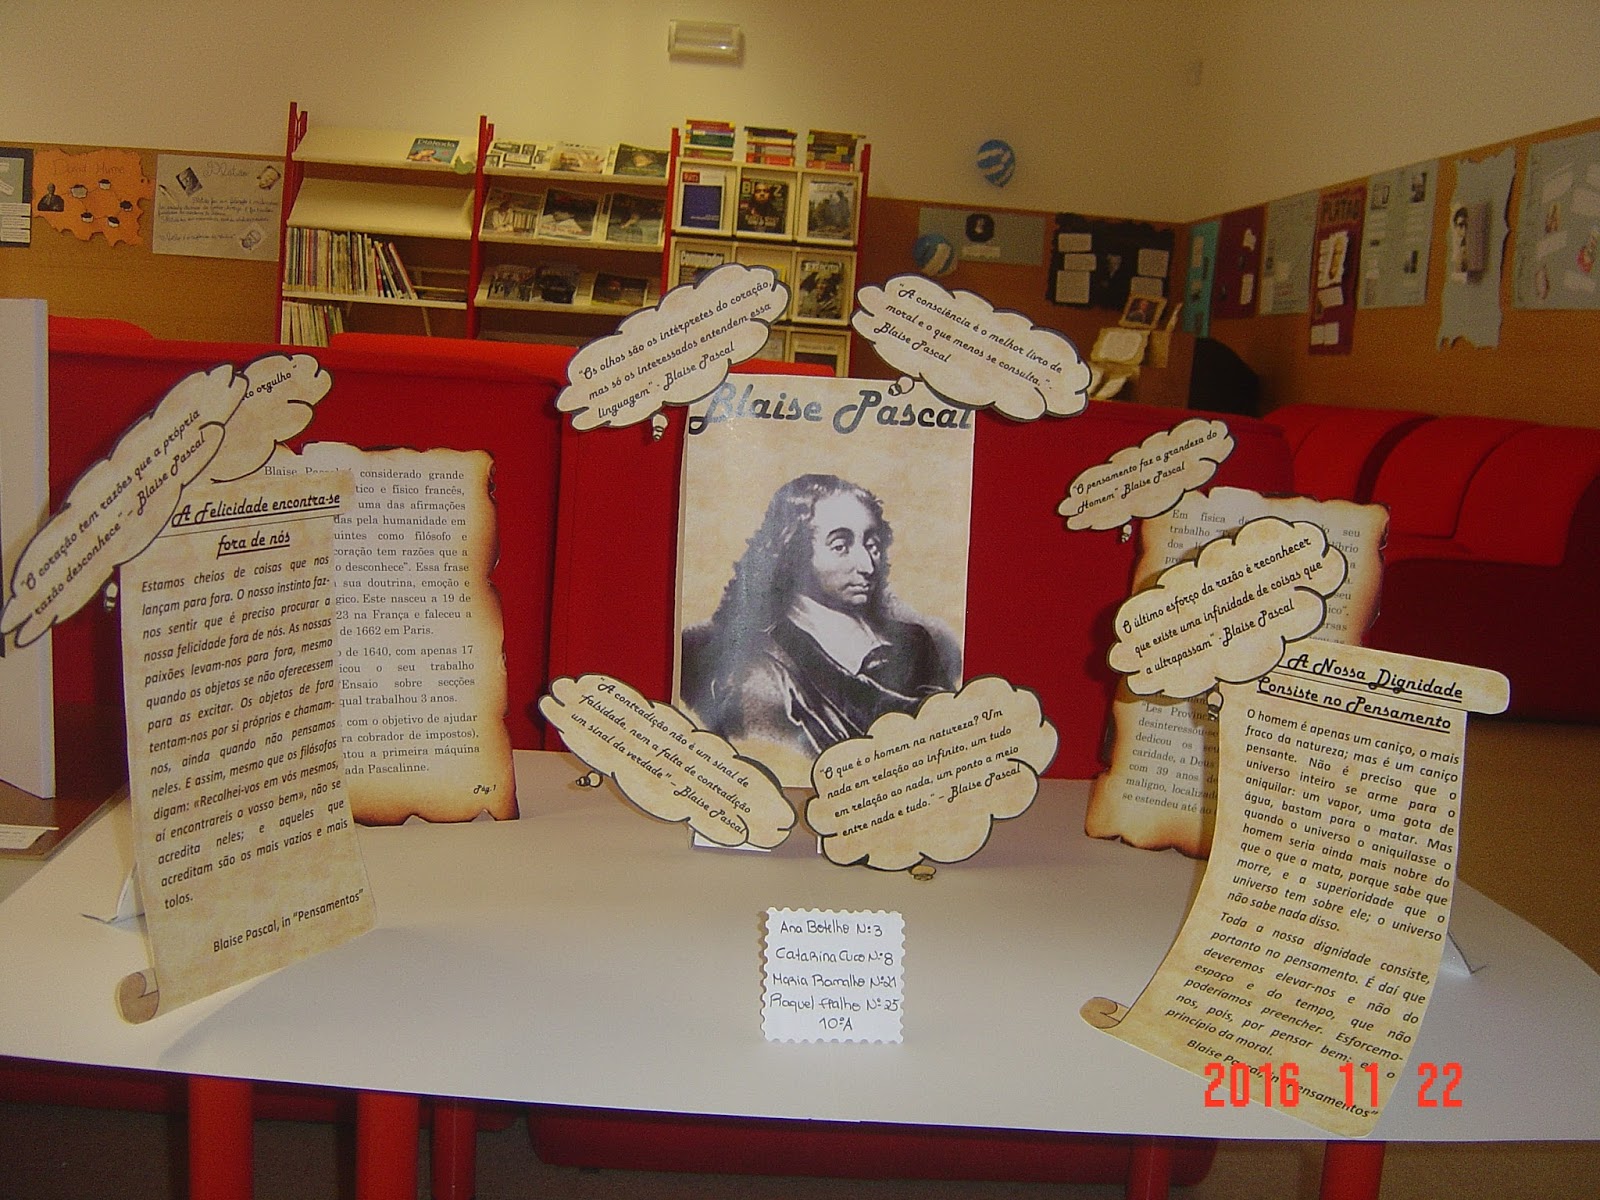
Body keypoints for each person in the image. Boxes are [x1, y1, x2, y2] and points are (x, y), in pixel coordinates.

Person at [680, 474, 957, 760]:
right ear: (794, 554)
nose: (867, 566)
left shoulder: (915, 641)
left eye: (872, 545)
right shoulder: (760, 673)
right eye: (840, 546)